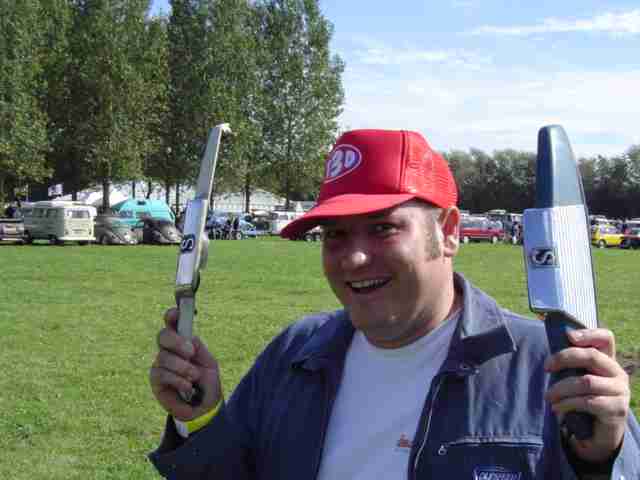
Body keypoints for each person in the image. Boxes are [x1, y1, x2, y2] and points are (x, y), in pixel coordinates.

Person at [148, 129, 640, 479]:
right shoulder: (294, 354)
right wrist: (202, 418)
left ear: (448, 233)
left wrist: (601, 460)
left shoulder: (550, 368)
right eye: (335, 235)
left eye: (383, 227)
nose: (353, 258)